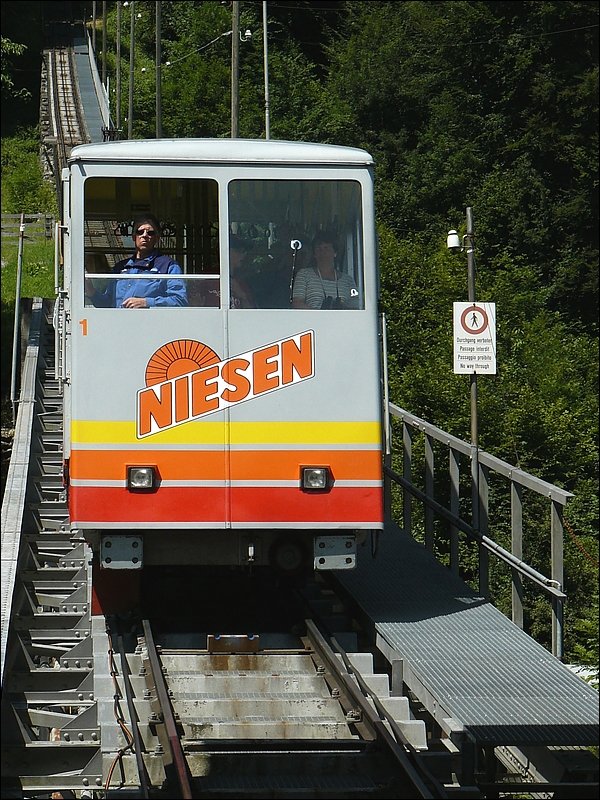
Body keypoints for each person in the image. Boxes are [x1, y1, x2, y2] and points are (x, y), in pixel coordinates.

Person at [86, 213, 187, 308]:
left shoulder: (168, 265)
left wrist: (146, 303)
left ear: (157, 238)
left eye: (150, 232)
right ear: (134, 237)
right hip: (118, 324)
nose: (144, 235)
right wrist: (92, 292)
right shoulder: (120, 267)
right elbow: (108, 303)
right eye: (140, 231)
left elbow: (180, 301)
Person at [291, 231, 360, 309]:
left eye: (326, 248)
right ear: (314, 254)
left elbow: (355, 307)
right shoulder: (304, 275)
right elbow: (297, 303)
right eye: (318, 248)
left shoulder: (348, 280)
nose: (322, 252)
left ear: (335, 253)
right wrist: (319, 316)